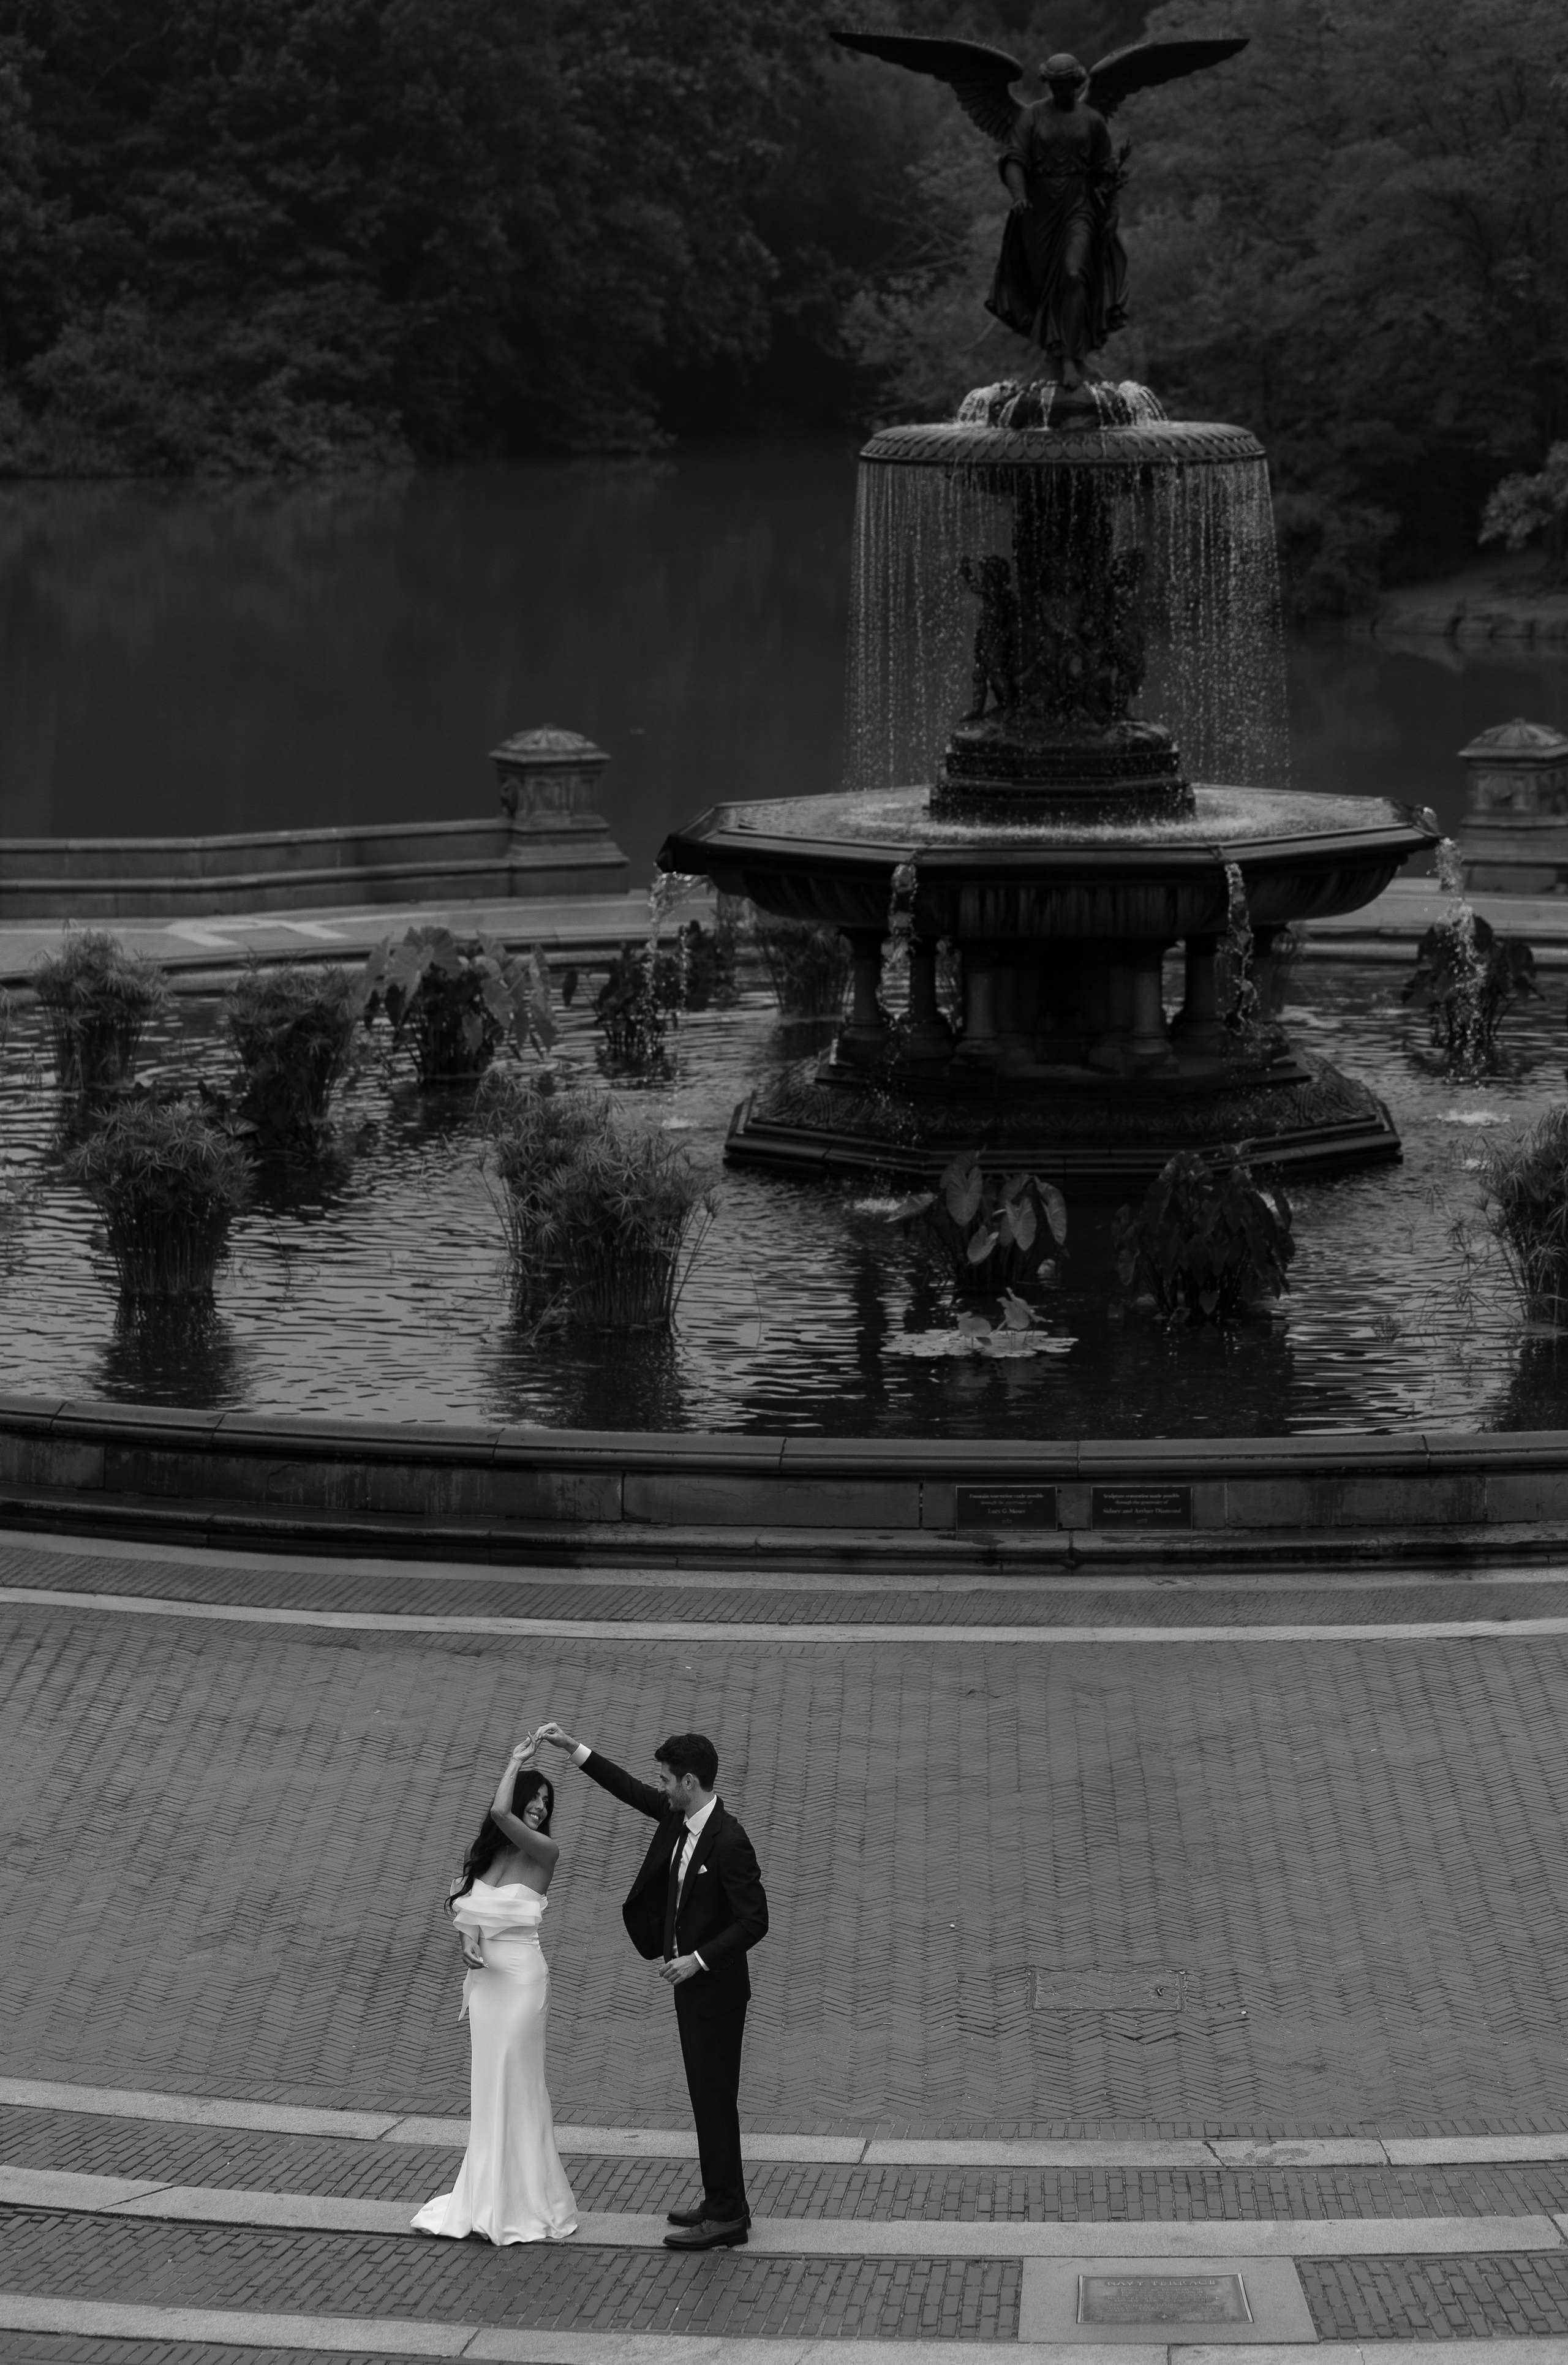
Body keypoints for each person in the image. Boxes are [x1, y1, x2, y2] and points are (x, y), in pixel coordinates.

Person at [537, 1721, 767, 2250]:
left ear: (690, 1781)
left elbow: (755, 1920)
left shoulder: (729, 1840)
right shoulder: (679, 1814)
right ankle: (720, 2198)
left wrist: (698, 1960)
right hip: (691, 1988)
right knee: (705, 2099)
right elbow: (627, 1788)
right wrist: (574, 1748)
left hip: (715, 1990)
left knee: (715, 2100)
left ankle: (728, 2216)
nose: (660, 1788)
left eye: (667, 1780)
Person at [412, 1735, 578, 2245]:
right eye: (537, 1796)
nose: (541, 1807)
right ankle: (486, 2195)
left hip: (524, 1981)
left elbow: (501, 1810)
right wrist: (466, 1942)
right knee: (488, 2089)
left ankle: (528, 2201)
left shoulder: (543, 1851)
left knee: (519, 2082)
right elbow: (469, 1909)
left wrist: (515, 1761)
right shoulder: (489, 1856)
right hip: (486, 1986)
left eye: (547, 1803)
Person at [987, 53, 1128, 387]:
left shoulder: (1092, 120)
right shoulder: (1031, 117)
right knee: (1043, 288)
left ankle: (1068, 359)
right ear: (1049, 84)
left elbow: (1105, 170)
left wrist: (1113, 209)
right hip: (1039, 210)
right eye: (1056, 85)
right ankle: (1057, 359)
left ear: (1078, 83)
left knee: (1074, 273)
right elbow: (1014, 159)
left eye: (1068, 85)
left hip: (1079, 205)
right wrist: (1019, 195)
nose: (1062, 91)